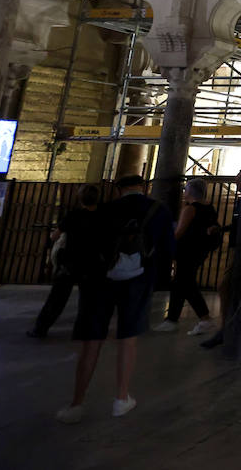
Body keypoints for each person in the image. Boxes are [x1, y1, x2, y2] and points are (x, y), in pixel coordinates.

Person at [57, 175, 173, 423]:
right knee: (128, 338)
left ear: (118, 189)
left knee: (91, 340)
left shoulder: (104, 210)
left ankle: (76, 403)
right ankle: (121, 399)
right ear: (144, 188)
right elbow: (168, 249)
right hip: (139, 279)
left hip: (101, 279)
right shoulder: (159, 211)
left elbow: (85, 245)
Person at [28, 184, 101, 339]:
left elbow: (55, 236)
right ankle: (81, 332)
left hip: (71, 262)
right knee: (88, 302)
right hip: (93, 264)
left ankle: (40, 329)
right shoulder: (102, 217)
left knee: (56, 299)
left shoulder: (74, 215)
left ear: (80, 198)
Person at [154, 178, 220, 336]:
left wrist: (164, 244)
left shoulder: (190, 209)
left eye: (186, 190)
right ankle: (171, 320)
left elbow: (179, 232)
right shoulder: (209, 208)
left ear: (190, 191)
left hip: (187, 251)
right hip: (200, 250)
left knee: (186, 283)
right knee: (180, 283)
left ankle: (205, 319)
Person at [199, 170, 241, 350]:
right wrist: (223, 229)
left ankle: (228, 328)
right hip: (237, 246)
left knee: (226, 286)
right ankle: (229, 327)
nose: (235, 181)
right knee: (228, 288)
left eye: (239, 178)